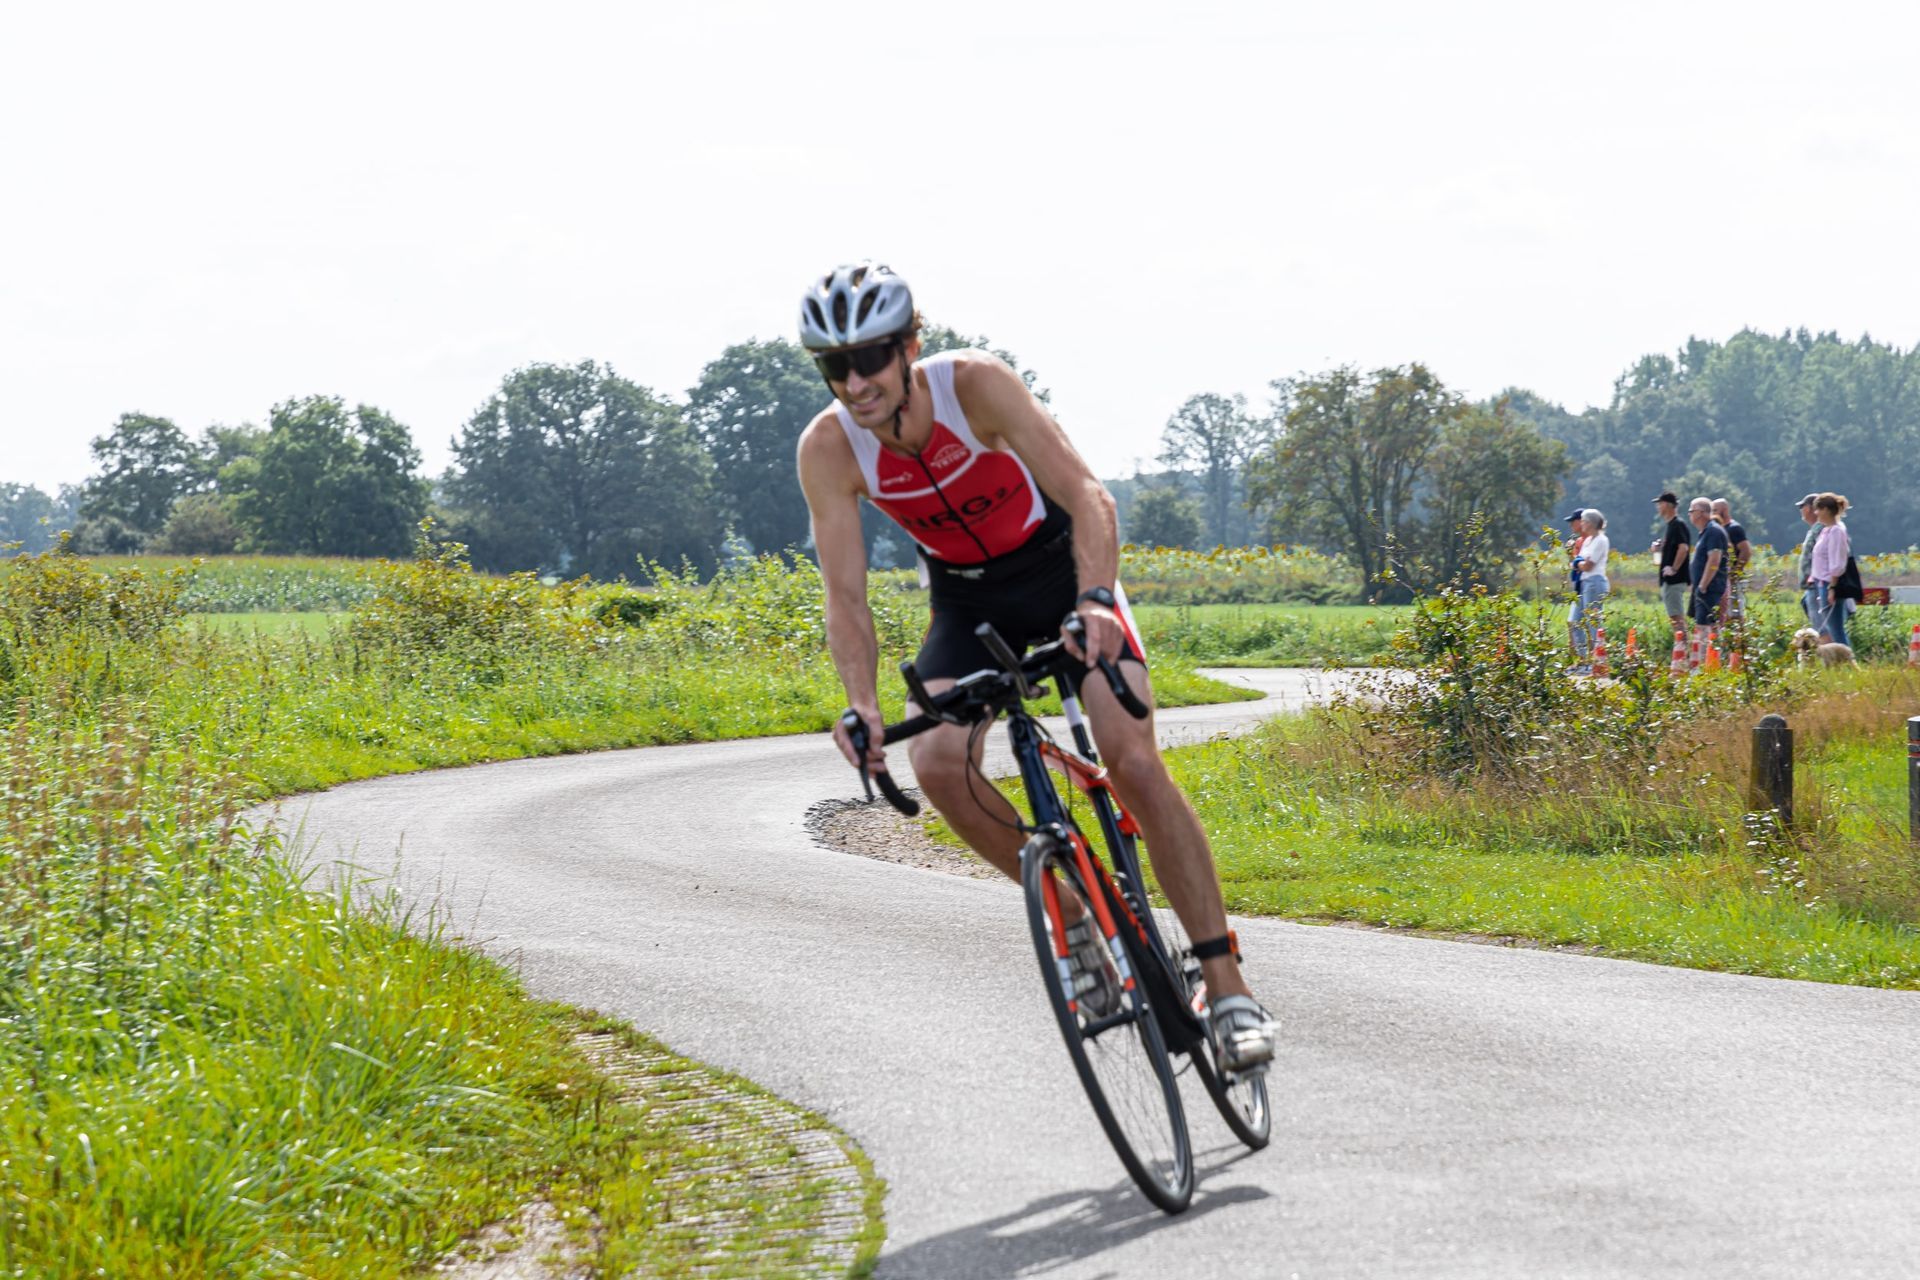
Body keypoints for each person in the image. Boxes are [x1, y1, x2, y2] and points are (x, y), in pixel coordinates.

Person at [794, 262, 1274, 1072]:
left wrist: (1093, 601)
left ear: (910, 346)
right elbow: (846, 597)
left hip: (1061, 573)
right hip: (968, 605)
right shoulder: (829, 448)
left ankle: (1226, 988)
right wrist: (860, 705)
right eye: (833, 366)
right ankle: (1078, 916)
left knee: (1131, 760)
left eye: (870, 357)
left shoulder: (976, 387)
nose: (855, 381)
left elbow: (1088, 495)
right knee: (938, 762)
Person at [1808, 492, 1853, 649]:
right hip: (1822, 583)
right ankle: (1838, 663)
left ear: (1826, 510)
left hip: (1829, 584)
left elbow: (1837, 562)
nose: (1816, 513)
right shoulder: (1825, 531)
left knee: (1835, 629)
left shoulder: (1836, 531)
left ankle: (1846, 661)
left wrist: (1832, 588)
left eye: (1818, 509)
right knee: (1830, 627)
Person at [1568, 509, 1610, 673]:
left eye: (1584, 521)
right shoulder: (1586, 541)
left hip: (1594, 582)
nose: (1581, 524)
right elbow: (1580, 562)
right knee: (1574, 621)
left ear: (1591, 523)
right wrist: (1578, 563)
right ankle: (1583, 659)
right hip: (1583, 583)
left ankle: (1597, 661)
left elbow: (1588, 565)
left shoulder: (1601, 540)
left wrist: (1577, 564)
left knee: (1592, 622)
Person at [1652, 491, 1692, 642]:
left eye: (1660, 503)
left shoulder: (1677, 525)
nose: (1658, 507)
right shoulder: (1671, 526)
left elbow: (1683, 548)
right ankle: (1683, 651)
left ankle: (1684, 654)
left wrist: (1673, 569)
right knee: (1675, 617)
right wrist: (1661, 548)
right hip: (1670, 580)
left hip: (1674, 580)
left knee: (1677, 618)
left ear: (1668, 505)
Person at [1687, 497, 1729, 636]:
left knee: (1706, 628)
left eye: (1691, 511)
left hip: (1709, 589)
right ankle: (1709, 655)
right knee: (1704, 626)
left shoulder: (1713, 531)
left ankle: (1708, 656)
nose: (1689, 514)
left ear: (1701, 512)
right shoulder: (1706, 532)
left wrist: (1703, 586)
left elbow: (1714, 561)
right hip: (1703, 589)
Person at [1711, 498, 1753, 628]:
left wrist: (1735, 573)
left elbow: (1745, 551)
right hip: (1722, 579)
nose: (1712, 513)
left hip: (1732, 579)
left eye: (1715, 510)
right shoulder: (1718, 529)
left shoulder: (1735, 529)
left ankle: (1739, 644)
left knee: (1735, 614)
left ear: (1724, 510)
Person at [1564, 510, 1587, 661]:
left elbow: (1581, 564)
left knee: (1583, 623)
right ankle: (1576, 659)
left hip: (1587, 584)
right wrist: (1569, 552)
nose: (1571, 524)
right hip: (1578, 585)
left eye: (1574, 521)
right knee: (1572, 622)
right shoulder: (1578, 541)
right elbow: (1573, 565)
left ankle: (1585, 659)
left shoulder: (1588, 540)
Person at [1794, 493, 1821, 619]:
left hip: (1817, 586)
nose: (1801, 510)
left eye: (1802, 507)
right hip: (1812, 586)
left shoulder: (1820, 530)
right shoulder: (1815, 529)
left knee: (1822, 630)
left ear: (1809, 508)